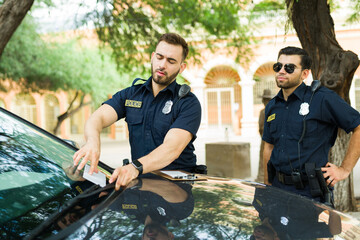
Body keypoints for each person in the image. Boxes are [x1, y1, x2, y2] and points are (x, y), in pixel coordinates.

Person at [73, 33, 202, 190]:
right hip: (139, 186)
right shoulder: (131, 94)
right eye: (160, 57)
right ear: (152, 57)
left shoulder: (188, 103)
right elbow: (97, 117)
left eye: (171, 61)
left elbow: (171, 149)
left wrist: (135, 167)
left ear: (181, 68)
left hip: (176, 189)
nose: (162, 65)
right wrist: (93, 142)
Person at [263, 46, 360, 202]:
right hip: (278, 189)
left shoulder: (322, 98)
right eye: (278, 66)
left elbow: (358, 126)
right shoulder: (272, 106)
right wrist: (267, 184)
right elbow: (268, 146)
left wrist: (344, 169)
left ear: (305, 74)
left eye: (289, 68)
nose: (281, 71)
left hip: (311, 192)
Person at [251, 185, 341, 240]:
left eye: (253, 239)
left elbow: (266, 181)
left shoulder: (258, 205)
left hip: (284, 162)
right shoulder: (295, 232)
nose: (257, 237)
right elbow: (335, 230)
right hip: (313, 174)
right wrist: (330, 209)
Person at [255, 89, 273, 183]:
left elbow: (260, 126)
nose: (266, 102)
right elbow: (260, 126)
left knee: (265, 158)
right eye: (265, 100)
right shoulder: (263, 112)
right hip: (264, 138)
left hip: (267, 138)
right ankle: (262, 177)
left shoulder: (268, 111)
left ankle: (264, 177)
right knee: (263, 158)